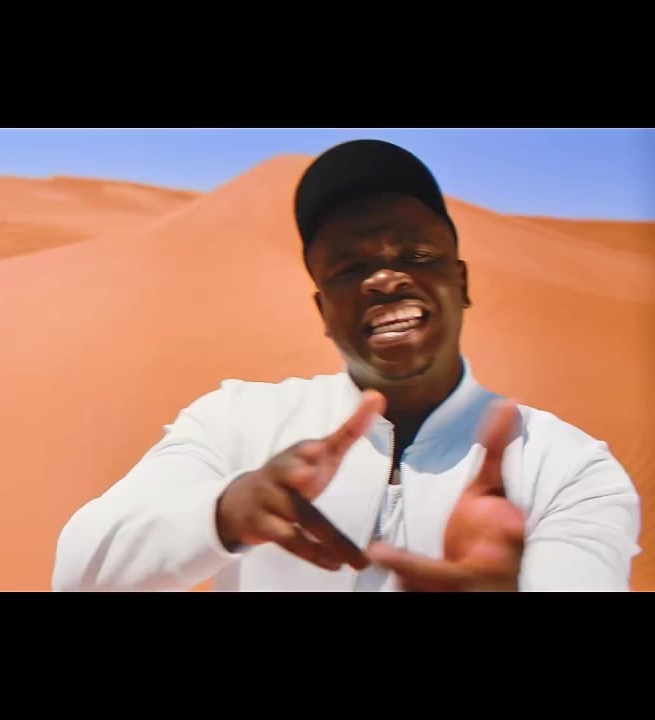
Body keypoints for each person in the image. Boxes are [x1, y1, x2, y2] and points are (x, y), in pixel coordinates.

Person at [51, 138, 643, 592]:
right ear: (324, 312)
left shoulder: (564, 465)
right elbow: (80, 572)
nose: (384, 278)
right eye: (348, 268)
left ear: (460, 283)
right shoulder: (236, 421)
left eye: (416, 254)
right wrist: (226, 512)